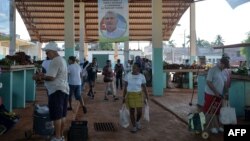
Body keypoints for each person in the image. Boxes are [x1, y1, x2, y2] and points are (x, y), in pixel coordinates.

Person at [32, 44, 69, 141]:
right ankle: (60, 136)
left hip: (56, 91)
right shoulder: (62, 60)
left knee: (57, 116)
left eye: (47, 52)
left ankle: (57, 137)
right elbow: (55, 75)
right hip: (63, 89)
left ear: (52, 51)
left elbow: (51, 77)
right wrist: (44, 75)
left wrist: (39, 77)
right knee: (62, 115)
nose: (46, 54)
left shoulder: (55, 61)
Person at [203, 56, 230, 134]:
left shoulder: (224, 71)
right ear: (221, 63)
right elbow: (208, 82)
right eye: (224, 66)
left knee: (217, 110)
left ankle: (217, 126)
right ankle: (211, 127)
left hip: (219, 95)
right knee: (210, 110)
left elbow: (224, 84)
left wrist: (226, 92)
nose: (225, 68)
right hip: (210, 94)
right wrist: (215, 92)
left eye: (226, 67)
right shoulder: (213, 70)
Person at [122, 63, 149, 133]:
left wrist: (147, 96)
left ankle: (137, 121)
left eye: (135, 67)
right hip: (130, 95)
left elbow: (144, 87)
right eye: (133, 67)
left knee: (139, 111)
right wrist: (123, 97)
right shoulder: (128, 75)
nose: (133, 69)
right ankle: (134, 126)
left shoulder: (142, 76)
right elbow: (125, 87)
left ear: (139, 69)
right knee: (132, 111)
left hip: (139, 95)